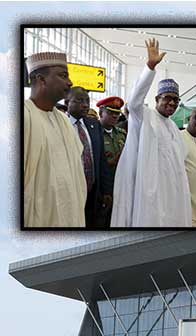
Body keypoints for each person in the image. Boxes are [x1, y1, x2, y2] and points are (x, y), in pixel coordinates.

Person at [111, 38, 191, 227]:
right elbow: (133, 101)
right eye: (167, 98)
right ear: (157, 99)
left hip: (173, 195)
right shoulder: (144, 116)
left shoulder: (174, 128)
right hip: (150, 194)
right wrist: (150, 67)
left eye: (176, 100)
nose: (172, 103)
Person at [23, 51, 86, 228]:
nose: (70, 82)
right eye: (63, 75)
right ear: (41, 80)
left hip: (71, 217)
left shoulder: (64, 120)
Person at [66, 86, 111, 228]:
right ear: (67, 102)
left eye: (87, 101)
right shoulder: (60, 124)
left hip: (93, 192)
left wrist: (106, 190)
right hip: (70, 191)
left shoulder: (94, 125)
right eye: (79, 101)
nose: (85, 105)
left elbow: (101, 160)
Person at [95, 96, 127, 228]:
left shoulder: (122, 134)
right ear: (101, 113)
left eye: (117, 113)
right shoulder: (94, 133)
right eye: (111, 112)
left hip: (121, 186)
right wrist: (113, 161)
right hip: (101, 189)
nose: (115, 116)